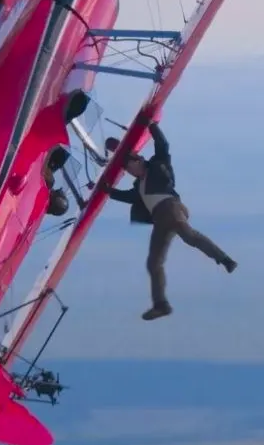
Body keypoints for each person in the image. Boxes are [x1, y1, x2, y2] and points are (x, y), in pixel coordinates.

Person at [101, 117, 237, 321]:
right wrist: (107, 191)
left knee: (188, 236)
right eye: (127, 171)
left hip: (171, 207)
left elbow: (162, 145)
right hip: (159, 219)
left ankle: (225, 259)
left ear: (138, 160)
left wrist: (151, 125)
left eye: (131, 167)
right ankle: (161, 304)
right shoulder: (139, 186)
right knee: (153, 262)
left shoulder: (157, 166)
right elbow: (128, 197)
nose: (130, 172)